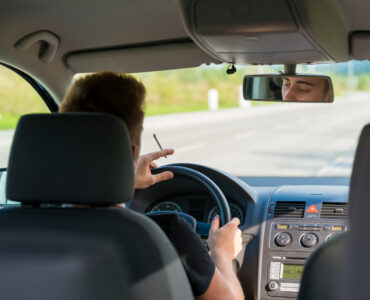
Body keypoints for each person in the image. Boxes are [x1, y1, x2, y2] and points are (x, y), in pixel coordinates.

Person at [59, 71, 244, 300]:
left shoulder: (15, 227)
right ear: (132, 153)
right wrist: (222, 253)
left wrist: (124, 177)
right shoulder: (167, 233)